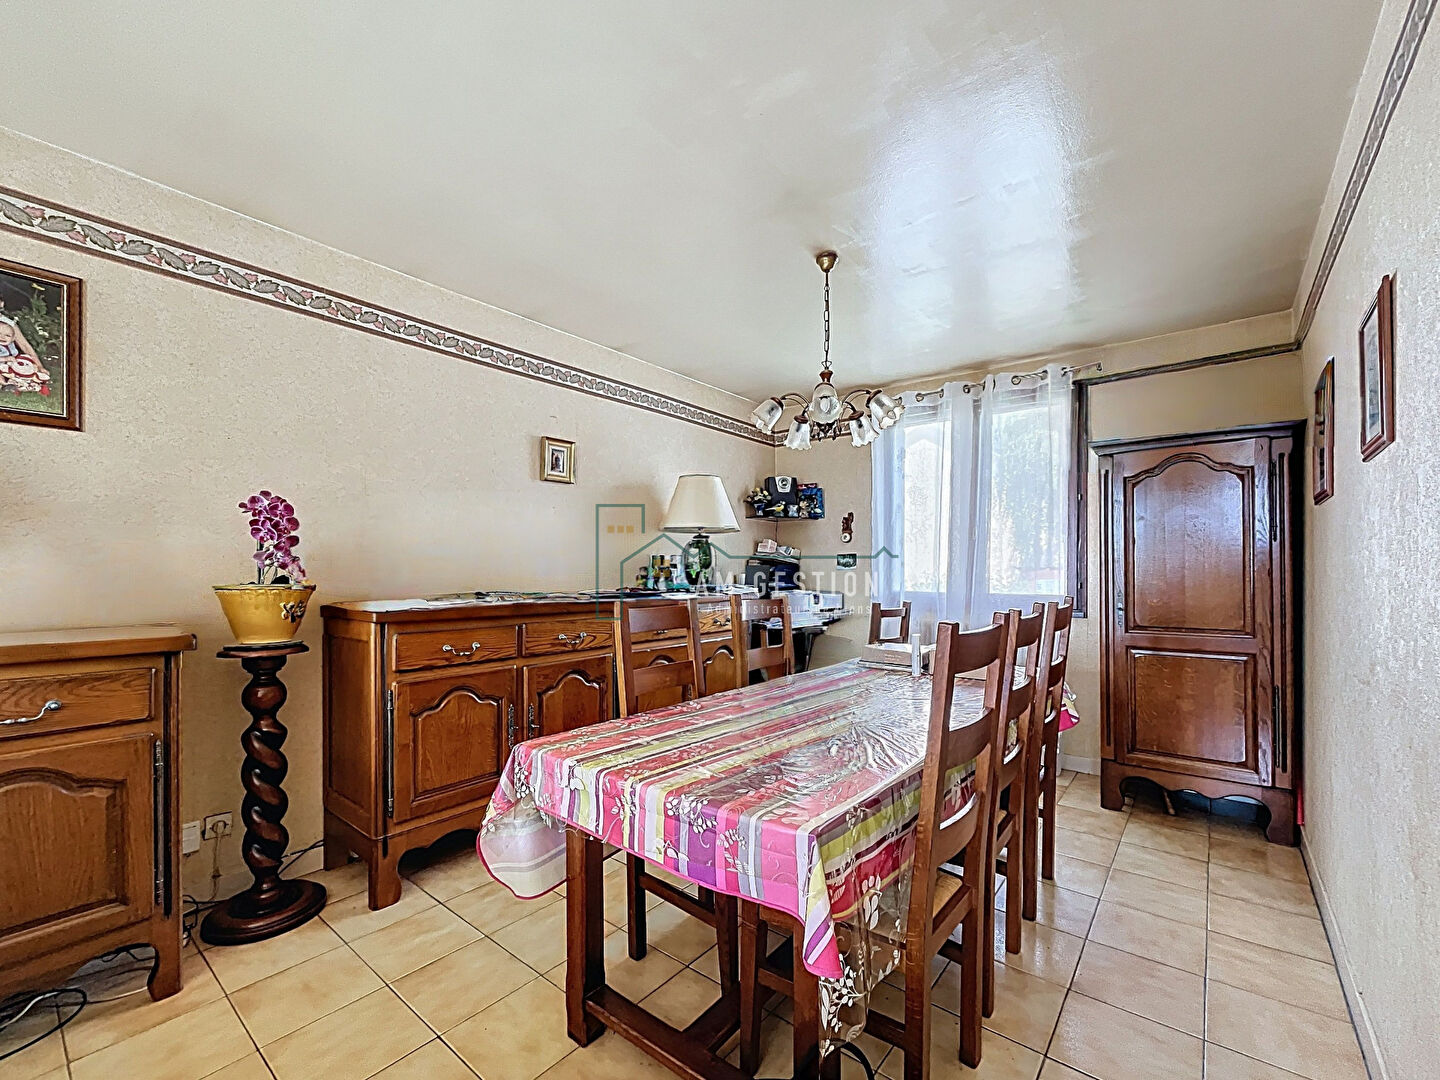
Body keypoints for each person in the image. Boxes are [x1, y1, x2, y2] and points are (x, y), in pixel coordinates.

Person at [0, 314, 52, 395]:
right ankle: (5, 384)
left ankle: (33, 383)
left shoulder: (7, 323)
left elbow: (25, 346)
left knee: (25, 367)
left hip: (9, 362)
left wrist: (39, 366)